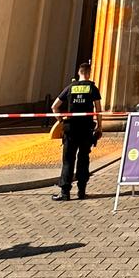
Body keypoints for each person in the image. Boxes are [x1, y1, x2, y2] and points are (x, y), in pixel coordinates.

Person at [51, 62, 102, 201]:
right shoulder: (93, 88)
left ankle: (65, 192)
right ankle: (81, 191)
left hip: (71, 128)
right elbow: (98, 109)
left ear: (79, 73)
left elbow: (54, 106)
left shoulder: (70, 88)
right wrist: (99, 126)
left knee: (68, 160)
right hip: (86, 128)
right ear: (89, 73)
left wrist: (61, 121)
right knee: (84, 158)